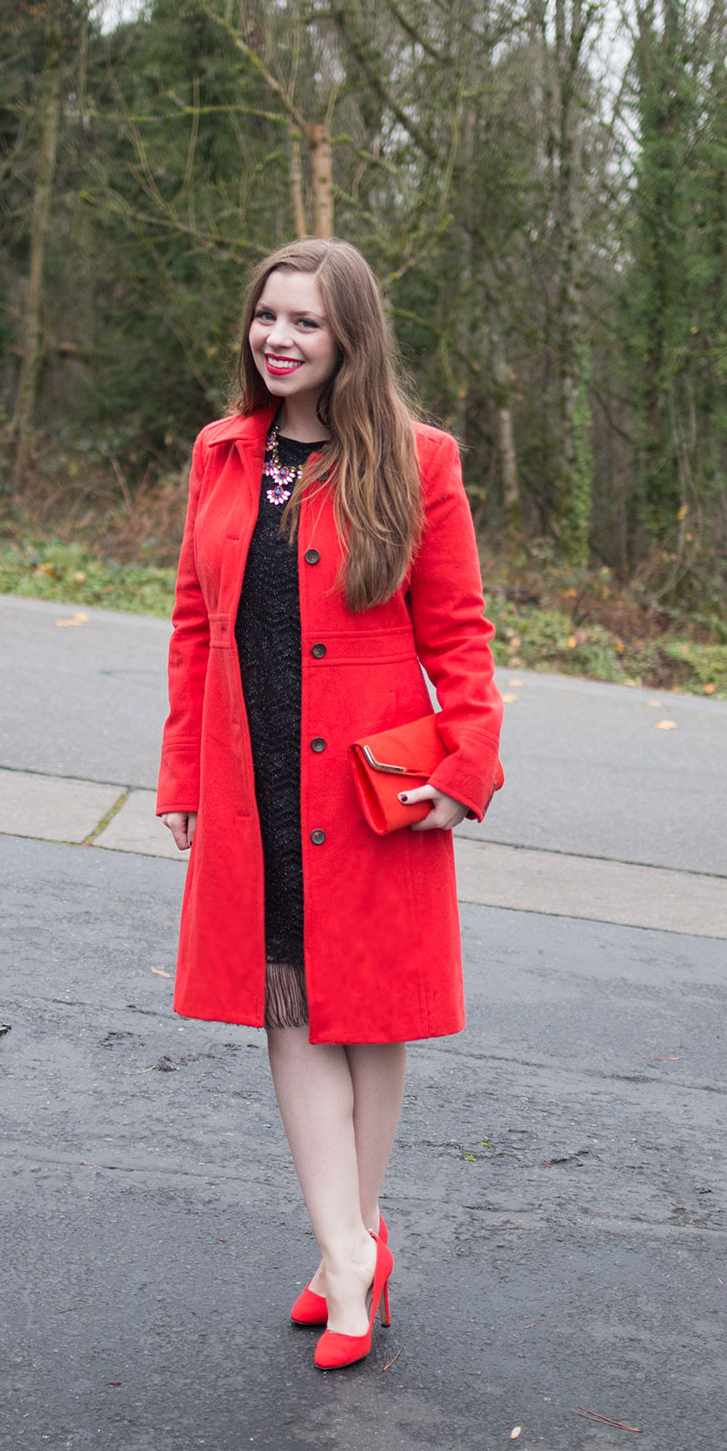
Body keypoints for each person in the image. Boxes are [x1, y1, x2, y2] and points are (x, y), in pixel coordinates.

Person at [157, 238, 503, 1369]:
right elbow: (195, 625)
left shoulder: (418, 460)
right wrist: (181, 773)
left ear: (350, 335)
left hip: (367, 784)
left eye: (305, 321)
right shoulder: (223, 452)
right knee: (288, 1003)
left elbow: (458, 632)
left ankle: (346, 1247)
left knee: (369, 1012)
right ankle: (350, 1251)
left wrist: (467, 765)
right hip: (250, 773)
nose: (279, 338)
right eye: (267, 316)